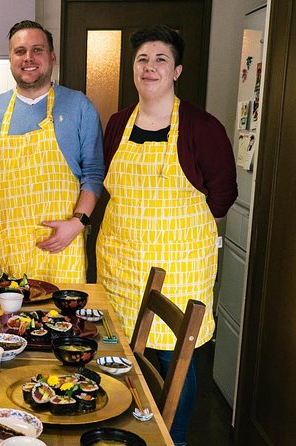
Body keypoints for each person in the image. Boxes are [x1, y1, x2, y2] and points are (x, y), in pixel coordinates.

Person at [95, 25, 237, 446]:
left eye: (160, 59)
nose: (150, 67)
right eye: (142, 59)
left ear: (177, 70)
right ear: (133, 69)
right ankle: (128, 423)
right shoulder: (119, 123)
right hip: (121, 258)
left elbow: (223, 195)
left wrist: (176, 231)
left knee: (175, 358)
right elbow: (107, 182)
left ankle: (173, 436)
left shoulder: (202, 127)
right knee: (122, 349)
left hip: (179, 264)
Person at [0, 20, 104, 282]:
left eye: (37, 50)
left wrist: (77, 222)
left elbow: (93, 174)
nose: (29, 58)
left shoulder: (80, 106)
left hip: (60, 251)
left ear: (52, 56)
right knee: (1, 323)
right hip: (3, 249)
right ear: (10, 58)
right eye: (20, 51)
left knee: (60, 323)